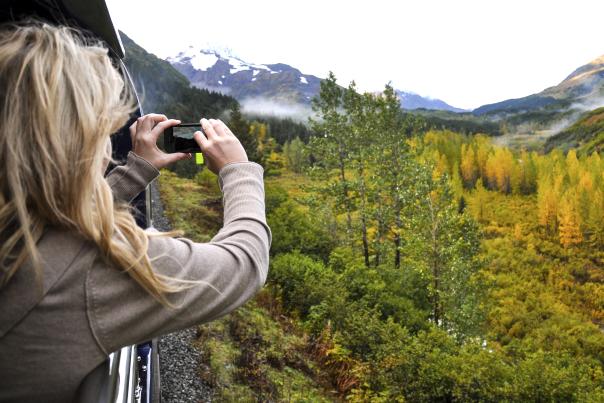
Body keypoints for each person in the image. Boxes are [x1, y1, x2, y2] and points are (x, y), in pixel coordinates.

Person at [0, 21, 271, 402]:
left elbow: (50, 218)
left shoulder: (19, 229)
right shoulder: (98, 269)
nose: (106, 147)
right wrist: (238, 171)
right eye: (101, 128)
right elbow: (243, 265)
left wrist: (136, 170)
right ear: (69, 142)